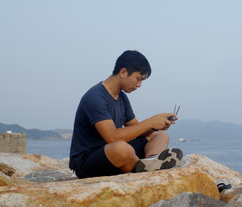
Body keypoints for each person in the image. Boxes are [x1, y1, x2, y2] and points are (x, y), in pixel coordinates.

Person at [69, 50, 182, 179]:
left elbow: (137, 130)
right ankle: (141, 165)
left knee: (160, 135)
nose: (139, 85)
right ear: (123, 72)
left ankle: (150, 162)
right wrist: (150, 122)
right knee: (121, 148)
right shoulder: (95, 97)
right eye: (138, 79)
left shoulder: (121, 96)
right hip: (88, 161)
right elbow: (112, 138)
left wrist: (156, 125)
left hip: (113, 152)